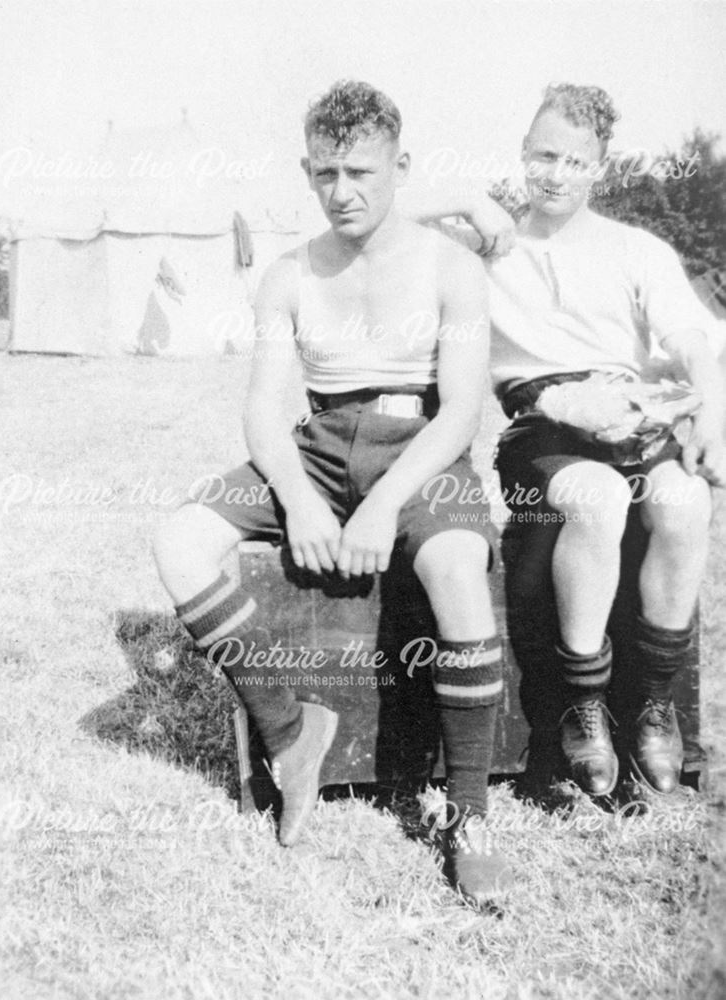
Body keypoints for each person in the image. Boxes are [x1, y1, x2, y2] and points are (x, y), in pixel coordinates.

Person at [153, 80, 512, 904]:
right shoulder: (288, 274)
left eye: (359, 172)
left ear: (400, 168)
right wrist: (303, 501)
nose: (341, 192)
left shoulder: (449, 267)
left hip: (418, 449)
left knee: (457, 565)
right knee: (178, 540)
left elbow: (461, 407)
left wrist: (386, 504)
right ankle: (288, 733)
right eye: (323, 173)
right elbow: (263, 409)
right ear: (306, 172)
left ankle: (469, 818)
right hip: (317, 446)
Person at [415, 83, 725, 797]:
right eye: (542, 156)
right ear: (522, 156)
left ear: (599, 168)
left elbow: (690, 343)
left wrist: (707, 413)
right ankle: (582, 703)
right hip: (541, 425)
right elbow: (378, 214)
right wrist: (468, 198)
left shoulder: (634, 248)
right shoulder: (487, 249)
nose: (555, 175)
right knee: (596, 498)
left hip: (632, 416)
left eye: (573, 161)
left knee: (684, 503)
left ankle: (652, 703)